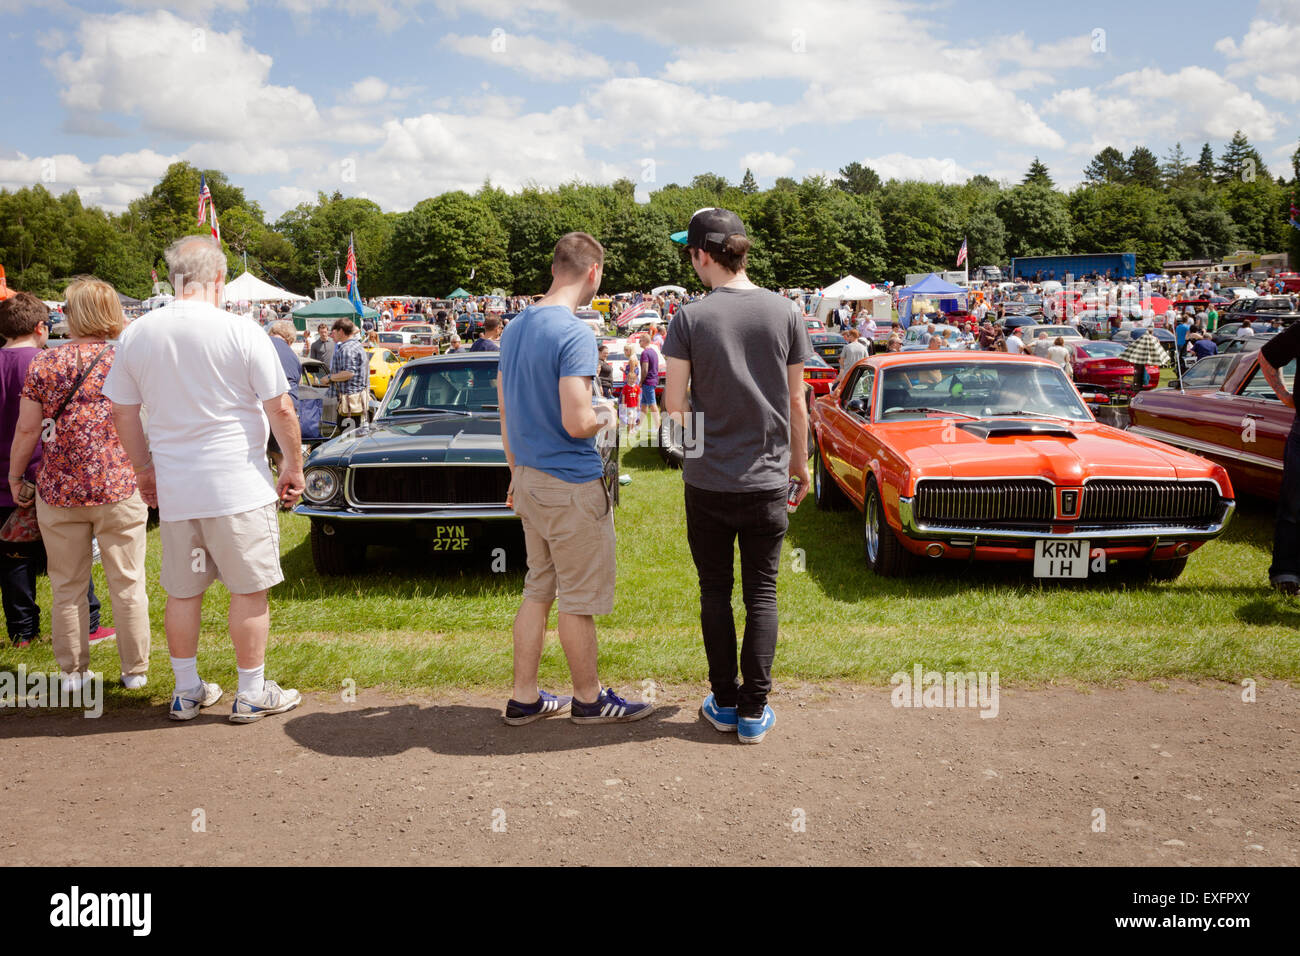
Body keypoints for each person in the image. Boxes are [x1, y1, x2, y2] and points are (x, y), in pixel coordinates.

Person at [104, 234, 305, 723]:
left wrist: (143, 469)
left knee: (183, 591)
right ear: (219, 278)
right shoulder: (241, 330)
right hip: (236, 484)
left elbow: (122, 413)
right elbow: (279, 407)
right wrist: (294, 466)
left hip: (177, 486)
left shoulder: (138, 333)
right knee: (248, 589)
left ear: (174, 279)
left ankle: (186, 688)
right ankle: (252, 690)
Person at [663, 207, 811, 745]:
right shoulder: (786, 311)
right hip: (768, 479)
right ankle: (752, 711)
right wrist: (801, 463)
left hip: (708, 483)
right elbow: (798, 400)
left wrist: (700, 454)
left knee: (714, 592)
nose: (692, 264)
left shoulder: (689, 318)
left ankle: (724, 701)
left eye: (691, 254)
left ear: (704, 254)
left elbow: (674, 407)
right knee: (763, 594)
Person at [496, 231, 653, 726]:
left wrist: (516, 472)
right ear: (594, 273)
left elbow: (503, 410)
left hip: (528, 476)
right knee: (578, 599)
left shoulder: (516, 327)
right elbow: (576, 421)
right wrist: (609, 414)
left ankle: (525, 696)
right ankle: (588, 699)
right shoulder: (574, 333)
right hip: (569, 482)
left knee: (538, 587)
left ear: (553, 268)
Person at [10, 277, 150, 691]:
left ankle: (72, 673)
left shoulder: (45, 362)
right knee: (127, 582)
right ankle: (135, 670)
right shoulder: (125, 359)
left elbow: (26, 430)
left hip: (59, 489)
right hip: (118, 484)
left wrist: (16, 476)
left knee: (66, 585)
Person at [0, 292, 110, 652]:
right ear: (40, 328)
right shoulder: (45, 363)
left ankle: (22, 633)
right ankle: (89, 623)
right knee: (69, 554)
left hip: (5, 477)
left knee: (13, 558)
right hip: (42, 471)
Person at [266, 320, 302, 474]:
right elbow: (298, 382)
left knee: (259, 455)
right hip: (288, 409)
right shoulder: (294, 357)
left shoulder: (264, 343)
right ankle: (285, 496)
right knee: (282, 456)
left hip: (264, 405)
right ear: (290, 340)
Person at [328, 318, 368, 430]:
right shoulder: (356, 345)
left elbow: (349, 373)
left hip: (350, 404)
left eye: (333, 332)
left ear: (340, 331)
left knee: (347, 441)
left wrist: (330, 378)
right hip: (354, 402)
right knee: (352, 439)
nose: (332, 335)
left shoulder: (347, 349)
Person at [637, 332, 661, 431]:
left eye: (640, 340)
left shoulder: (645, 353)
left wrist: (641, 381)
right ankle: (639, 426)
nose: (639, 342)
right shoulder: (654, 352)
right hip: (653, 380)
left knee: (652, 404)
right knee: (644, 405)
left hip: (648, 381)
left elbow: (645, 369)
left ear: (646, 341)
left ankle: (658, 427)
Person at [620, 342, 641, 427]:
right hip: (632, 381)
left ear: (631, 350)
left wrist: (628, 384)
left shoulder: (632, 359)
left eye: (627, 350)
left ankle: (627, 422)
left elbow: (631, 374)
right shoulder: (633, 358)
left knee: (628, 401)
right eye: (624, 349)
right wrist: (624, 371)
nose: (625, 351)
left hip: (631, 383)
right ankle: (631, 422)